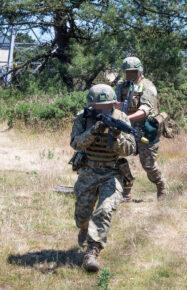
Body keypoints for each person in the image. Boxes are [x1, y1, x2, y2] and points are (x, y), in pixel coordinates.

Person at [70, 84, 136, 272]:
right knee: (82, 217)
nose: (104, 110)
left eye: (108, 106)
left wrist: (117, 138)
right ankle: (84, 229)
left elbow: (130, 149)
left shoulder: (121, 118)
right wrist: (94, 130)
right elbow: (76, 144)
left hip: (112, 172)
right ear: (91, 106)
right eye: (99, 107)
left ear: (114, 104)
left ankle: (92, 252)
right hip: (88, 171)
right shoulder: (83, 118)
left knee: (105, 210)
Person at [115, 56, 167, 201]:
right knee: (119, 157)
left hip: (146, 129)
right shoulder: (122, 86)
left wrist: (125, 118)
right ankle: (126, 190)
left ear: (140, 71)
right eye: (127, 71)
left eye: (133, 71)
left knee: (148, 164)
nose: (129, 74)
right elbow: (116, 103)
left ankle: (161, 186)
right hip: (127, 128)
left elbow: (144, 111)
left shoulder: (148, 86)